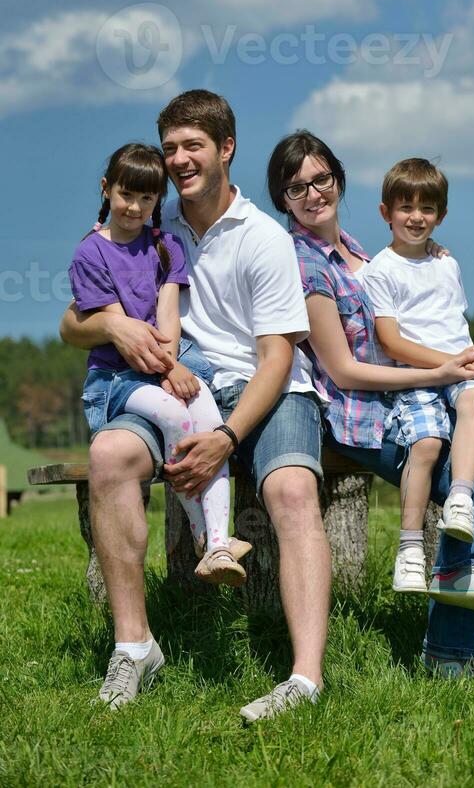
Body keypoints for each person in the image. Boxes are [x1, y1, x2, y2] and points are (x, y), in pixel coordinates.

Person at [60, 91, 329, 719]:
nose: (180, 159)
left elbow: (278, 359)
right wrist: (113, 328)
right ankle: (135, 646)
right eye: (172, 147)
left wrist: (228, 438)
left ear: (226, 149)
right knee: (109, 453)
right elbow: (70, 325)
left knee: (291, 490)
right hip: (173, 384)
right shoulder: (149, 226)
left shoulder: (263, 237)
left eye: (194, 146)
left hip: (262, 391)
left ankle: (305, 681)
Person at [266, 130, 474, 679]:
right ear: (281, 199)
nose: (312, 194)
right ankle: (456, 642)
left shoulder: (362, 251)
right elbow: (343, 369)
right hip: (364, 414)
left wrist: (430, 257)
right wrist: (446, 369)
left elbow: (413, 290)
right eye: (295, 188)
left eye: (321, 179)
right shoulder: (304, 266)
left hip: (416, 391)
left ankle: (458, 604)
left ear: (338, 179)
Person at [68, 142, 247, 590]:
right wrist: (167, 372)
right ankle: (202, 533)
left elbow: (168, 318)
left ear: (158, 201)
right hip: (117, 377)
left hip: (170, 356)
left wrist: (173, 365)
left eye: (148, 199)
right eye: (127, 195)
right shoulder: (90, 253)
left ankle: (221, 541)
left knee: (204, 410)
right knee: (172, 412)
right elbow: (124, 332)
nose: (135, 207)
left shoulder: (165, 246)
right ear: (106, 189)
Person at [363, 158, 474, 600]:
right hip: (416, 376)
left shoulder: (447, 263)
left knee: (472, 405)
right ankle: (409, 551)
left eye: (428, 209)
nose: (417, 217)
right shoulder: (379, 271)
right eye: (406, 207)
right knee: (424, 445)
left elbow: (452, 321)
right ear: (386, 212)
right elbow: (391, 342)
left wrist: (469, 360)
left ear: (441, 216)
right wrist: (450, 363)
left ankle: (460, 500)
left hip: (458, 366)